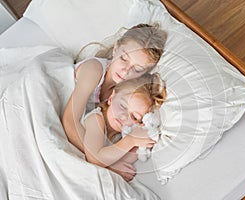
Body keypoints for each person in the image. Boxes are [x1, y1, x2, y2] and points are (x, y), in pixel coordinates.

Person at [62, 23, 167, 154]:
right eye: (124, 58)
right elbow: (69, 120)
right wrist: (102, 160)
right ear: (116, 48)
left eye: (137, 69)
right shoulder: (94, 70)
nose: (126, 71)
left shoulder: (125, 95)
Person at [77, 73, 166, 182]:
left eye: (134, 116)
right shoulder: (96, 119)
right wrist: (131, 140)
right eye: (123, 106)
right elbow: (94, 158)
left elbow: (125, 161)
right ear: (111, 97)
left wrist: (140, 138)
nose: (124, 116)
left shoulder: (122, 135)